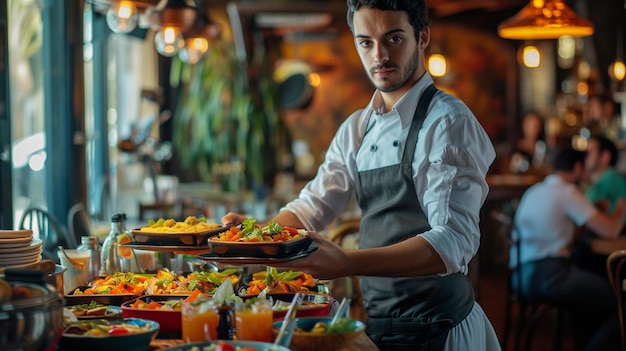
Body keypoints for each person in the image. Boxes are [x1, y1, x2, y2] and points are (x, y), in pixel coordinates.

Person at [223, 1, 500, 349]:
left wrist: (346, 262)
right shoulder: (357, 127)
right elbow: (313, 205)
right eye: (366, 42)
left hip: (440, 327)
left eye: (394, 39)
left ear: (422, 36)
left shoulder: (447, 121)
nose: (379, 55)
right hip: (381, 322)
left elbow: (453, 242)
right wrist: (257, 238)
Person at [511, 147, 625, 351]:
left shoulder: (535, 190)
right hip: (548, 275)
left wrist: (591, 214)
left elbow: (568, 231)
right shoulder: (568, 192)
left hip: (520, 275)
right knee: (620, 299)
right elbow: (611, 231)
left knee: (592, 296)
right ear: (577, 167)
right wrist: (621, 207)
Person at [572, 134, 626, 276]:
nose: (585, 157)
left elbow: (582, 212)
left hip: (605, 248)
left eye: (589, 152)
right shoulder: (600, 181)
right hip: (600, 244)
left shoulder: (611, 177)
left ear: (605, 156)